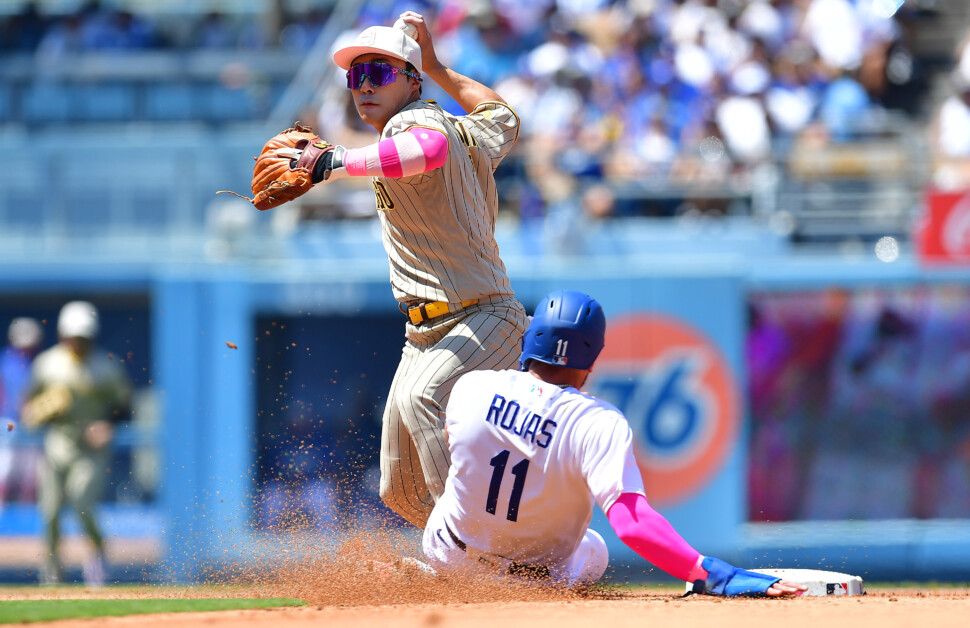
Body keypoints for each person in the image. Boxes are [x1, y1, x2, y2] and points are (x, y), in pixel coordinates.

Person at [290, 11, 529, 528]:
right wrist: (440, 64)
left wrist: (333, 162)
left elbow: (428, 147)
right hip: (428, 332)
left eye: (380, 73)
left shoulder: (411, 121)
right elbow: (503, 115)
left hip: (479, 317)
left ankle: (473, 555)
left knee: (426, 398)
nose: (364, 87)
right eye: (356, 76)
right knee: (398, 490)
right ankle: (510, 552)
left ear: (411, 81)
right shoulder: (468, 129)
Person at [421, 289, 808, 595]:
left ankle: (431, 575)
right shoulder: (598, 421)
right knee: (594, 548)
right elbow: (632, 526)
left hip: (447, 551)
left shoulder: (473, 386)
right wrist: (709, 572)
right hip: (533, 580)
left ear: (530, 338)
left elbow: (462, 459)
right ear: (591, 362)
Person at [22, 301, 132, 586]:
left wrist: (108, 423)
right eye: (73, 336)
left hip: (91, 447)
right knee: (50, 509)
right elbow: (27, 405)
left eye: (83, 338)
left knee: (82, 500)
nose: (78, 343)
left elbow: (125, 406)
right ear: (62, 335)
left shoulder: (106, 366)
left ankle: (97, 554)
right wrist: (39, 412)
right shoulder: (47, 364)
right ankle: (52, 567)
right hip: (58, 443)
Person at [0, 317, 45, 506]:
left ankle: (28, 524)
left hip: (33, 426)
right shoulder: (4, 360)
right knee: (4, 473)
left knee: (31, 479)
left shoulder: (41, 363)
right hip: (6, 424)